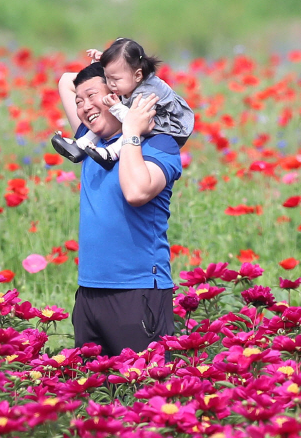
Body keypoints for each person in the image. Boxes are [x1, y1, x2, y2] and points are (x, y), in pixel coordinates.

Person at [56, 61, 182, 356]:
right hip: (88, 292)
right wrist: (111, 72)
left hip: (137, 291)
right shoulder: (92, 142)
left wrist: (132, 128)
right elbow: (65, 79)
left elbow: (136, 192)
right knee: (92, 394)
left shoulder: (160, 145)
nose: (85, 107)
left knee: (141, 391)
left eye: (92, 96)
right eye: (79, 101)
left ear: (118, 96)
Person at [52, 37, 194, 168]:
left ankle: (111, 154)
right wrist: (104, 62)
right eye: (107, 78)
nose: (111, 84)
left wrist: (116, 107)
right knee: (104, 117)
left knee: (134, 129)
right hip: (140, 110)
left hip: (164, 123)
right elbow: (121, 52)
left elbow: (135, 122)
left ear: (138, 75)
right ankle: (81, 145)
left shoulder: (146, 92)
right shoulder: (130, 77)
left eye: (115, 79)